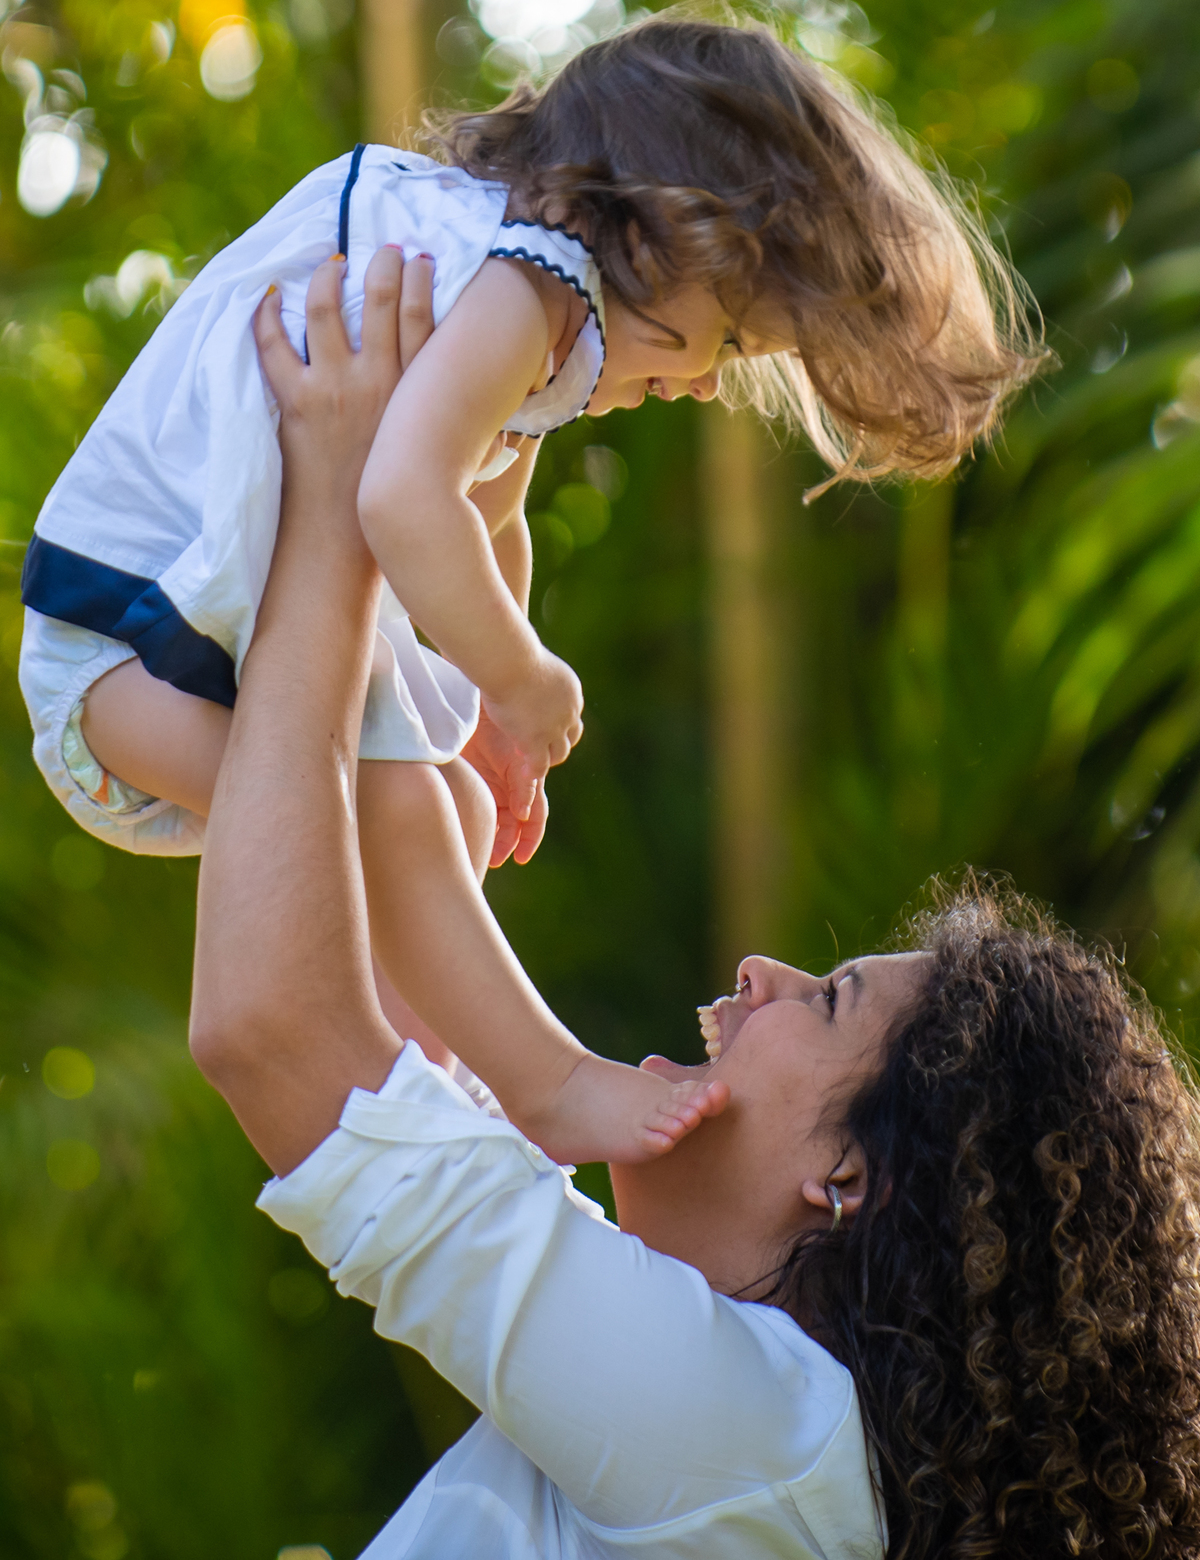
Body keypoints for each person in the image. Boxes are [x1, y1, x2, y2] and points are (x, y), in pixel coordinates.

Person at [189, 257, 1200, 1560]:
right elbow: (380, 1051)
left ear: (847, 1178)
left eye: (829, 1000)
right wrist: (443, 738)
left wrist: (336, 517)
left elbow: (277, 1035)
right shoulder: (771, 1444)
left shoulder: (762, 1441)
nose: (764, 969)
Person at [20, 16, 1039, 1164]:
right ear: (648, 234)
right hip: (124, 651)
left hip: (175, 653)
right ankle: (547, 1086)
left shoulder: (511, 280)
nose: (707, 385)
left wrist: (485, 715)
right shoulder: (522, 289)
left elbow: (487, 513)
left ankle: (428, 1111)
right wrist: (525, 676)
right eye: (720, 341)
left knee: (448, 809)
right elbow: (403, 499)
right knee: (407, 813)